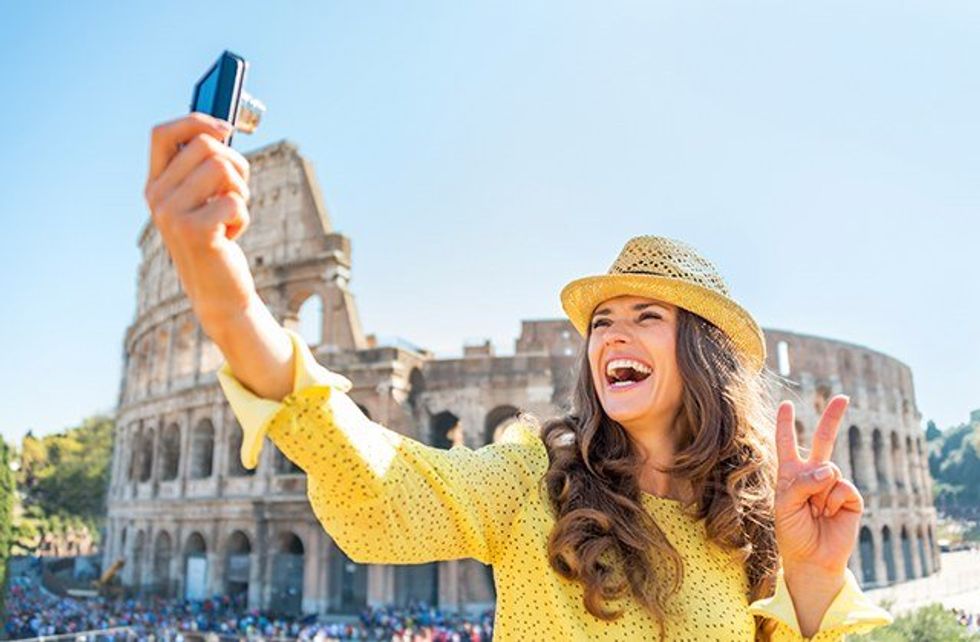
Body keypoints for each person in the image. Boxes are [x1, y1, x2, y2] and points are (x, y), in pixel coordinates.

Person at [143, 113, 895, 641]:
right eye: (601, 321)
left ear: (703, 352)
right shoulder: (534, 482)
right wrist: (227, 301)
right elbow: (381, 482)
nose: (612, 334)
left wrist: (812, 577)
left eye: (645, 316)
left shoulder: (749, 521)